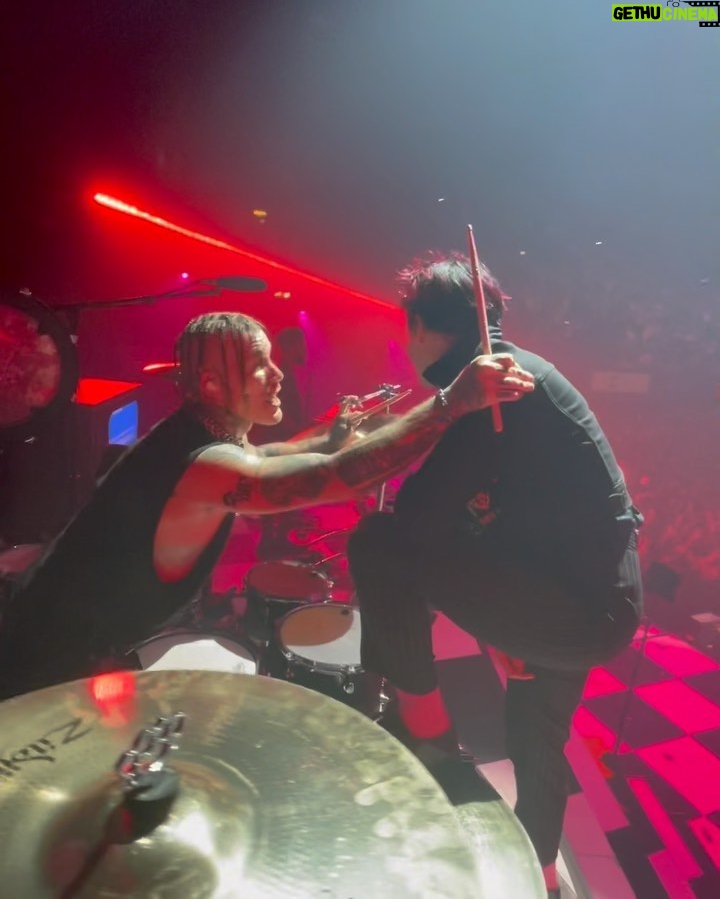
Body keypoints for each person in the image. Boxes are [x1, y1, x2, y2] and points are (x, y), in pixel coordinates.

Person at [0, 310, 534, 702]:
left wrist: (339, 431)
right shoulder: (205, 465)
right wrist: (451, 403)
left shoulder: (198, 432)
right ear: (211, 383)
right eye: (260, 366)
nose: (277, 375)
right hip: (42, 668)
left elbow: (283, 453)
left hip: (54, 637)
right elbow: (335, 478)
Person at [346, 254, 643, 898]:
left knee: (379, 542)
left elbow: (420, 521)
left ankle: (422, 726)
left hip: (568, 601)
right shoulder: (527, 371)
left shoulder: (491, 389)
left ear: (426, 327)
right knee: (534, 733)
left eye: (408, 328)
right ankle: (541, 876)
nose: (405, 343)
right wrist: (513, 623)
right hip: (596, 596)